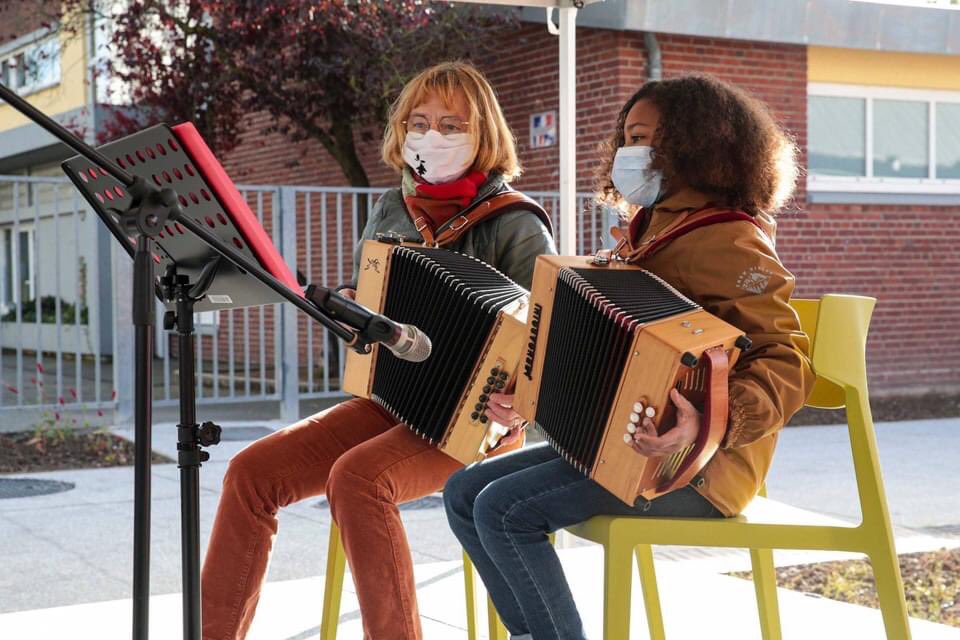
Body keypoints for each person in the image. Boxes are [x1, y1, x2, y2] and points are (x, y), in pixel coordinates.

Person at [443, 75, 816, 640]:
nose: (628, 152)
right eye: (627, 138)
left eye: (644, 139)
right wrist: (533, 393)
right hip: (625, 449)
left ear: (696, 144)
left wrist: (711, 419)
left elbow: (785, 359)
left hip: (696, 469)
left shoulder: (730, 238)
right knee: (464, 492)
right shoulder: (648, 232)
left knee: (505, 510)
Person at [201, 61, 556, 640]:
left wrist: (519, 401)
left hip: (475, 425)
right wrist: (350, 307)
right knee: (249, 473)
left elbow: (548, 339)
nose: (431, 136)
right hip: (388, 402)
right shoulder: (394, 207)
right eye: (419, 122)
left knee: (357, 479)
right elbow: (371, 303)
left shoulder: (517, 222)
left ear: (483, 133)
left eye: (451, 124)